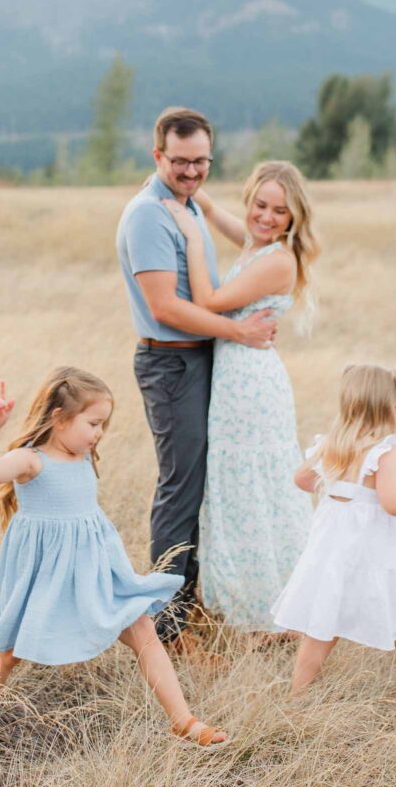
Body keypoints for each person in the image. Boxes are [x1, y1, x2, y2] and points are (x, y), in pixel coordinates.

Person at [0, 367, 227, 752]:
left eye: (103, 424)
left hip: (94, 569)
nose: (99, 433)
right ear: (59, 418)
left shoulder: (82, 456)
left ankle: (183, 721)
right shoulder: (32, 461)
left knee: (142, 629)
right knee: (11, 649)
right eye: (93, 423)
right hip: (46, 573)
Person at [116, 107, 277, 654]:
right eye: (180, 161)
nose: (191, 171)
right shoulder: (148, 216)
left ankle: (194, 606)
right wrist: (239, 333)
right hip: (172, 363)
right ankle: (167, 626)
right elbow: (167, 308)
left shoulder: (184, 205)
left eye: (201, 162)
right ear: (157, 155)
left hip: (201, 362)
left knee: (206, 488)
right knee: (180, 491)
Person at [163, 160, 320, 633]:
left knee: (252, 489)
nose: (266, 217)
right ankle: (246, 601)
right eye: (260, 204)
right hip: (236, 378)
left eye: (279, 211)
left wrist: (191, 237)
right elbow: (237, 226)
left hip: (250, 386)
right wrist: (201, 201)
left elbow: (209, 301)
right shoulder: (259, 244)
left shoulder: (278, 260)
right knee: (239, 487)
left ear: (294, 219)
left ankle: (268, 608)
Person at [271, 363, 396, 707]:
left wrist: (335, 486)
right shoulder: (385, 450)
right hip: (377, 552)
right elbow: (393, 502)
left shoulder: (334, 444)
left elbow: (302, 480)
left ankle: (297, 696)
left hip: (335, 549)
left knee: (323, 622)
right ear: (393, 405)